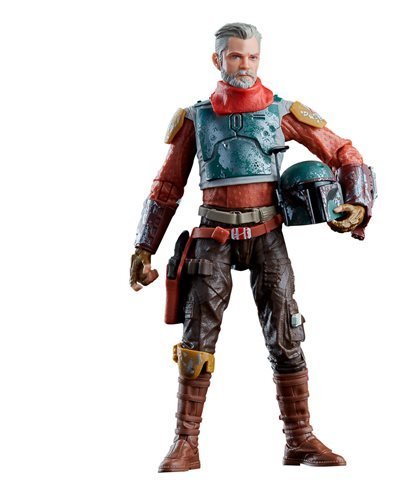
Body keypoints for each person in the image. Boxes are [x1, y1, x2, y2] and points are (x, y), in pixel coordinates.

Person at [130, 22, 375, 472]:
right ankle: (185, 443)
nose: (245, 64)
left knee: (287, 333)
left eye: (252, 56)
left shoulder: (281, 111)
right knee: (196, 340)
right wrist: (143, 246)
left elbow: (343, 152)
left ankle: (299, 439)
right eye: (236, 56)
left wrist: (357, 202)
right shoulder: (196, 119)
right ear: (218, 59)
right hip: (213, 238)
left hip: (267, 236)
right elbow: (166, 187)